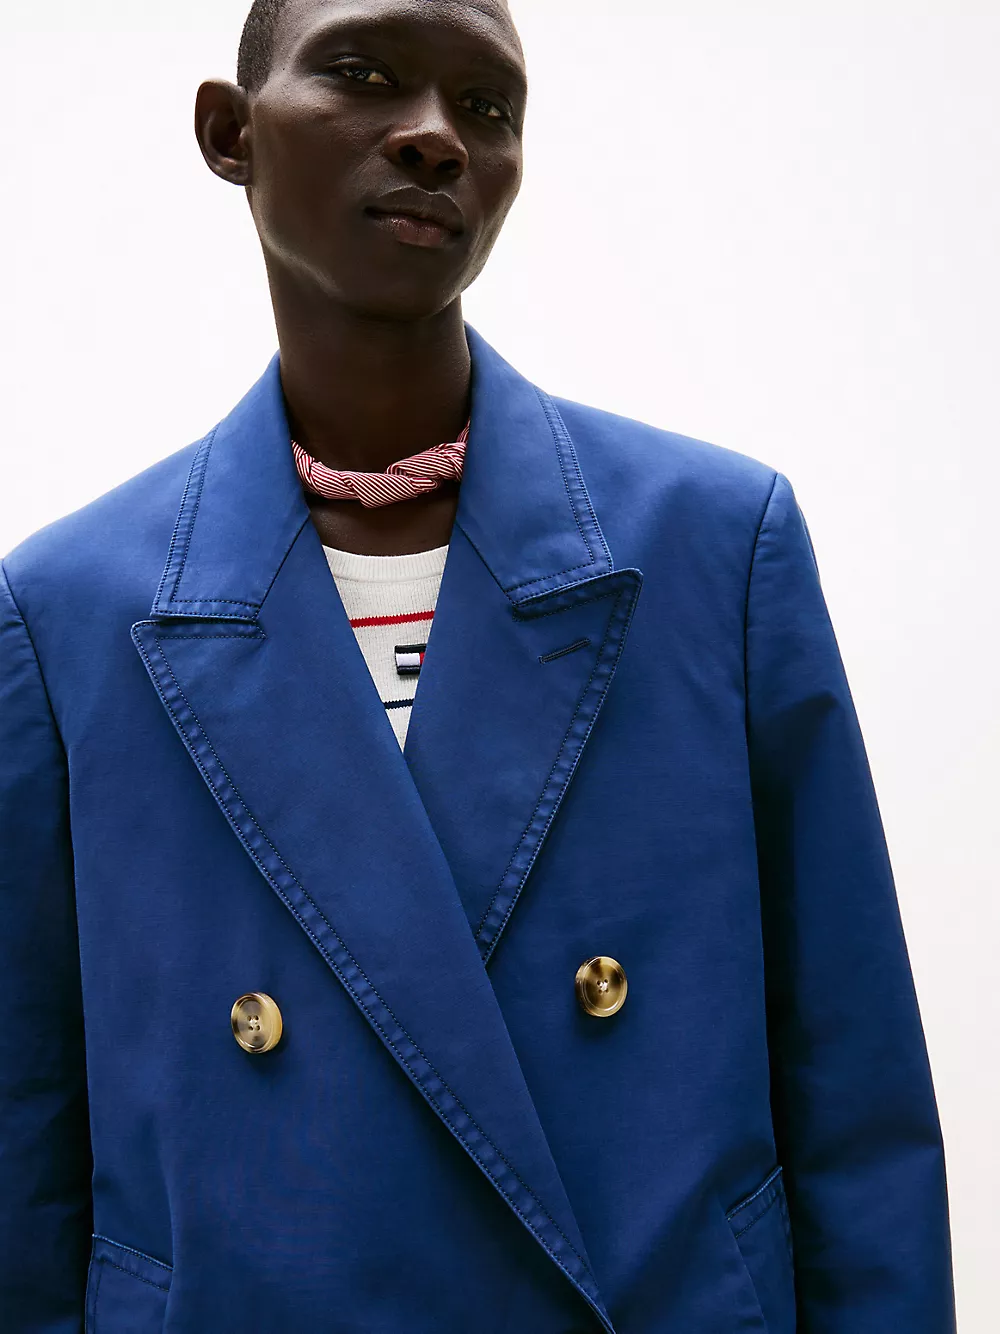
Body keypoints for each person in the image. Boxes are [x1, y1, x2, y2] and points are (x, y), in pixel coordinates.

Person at [0, 1, 956, 1330]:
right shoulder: (66, 613)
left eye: (487, 106)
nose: (435, 136)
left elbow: (858, 1102)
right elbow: (24, 1155)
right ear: (229, 132)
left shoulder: (715, 549)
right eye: (363, 72)